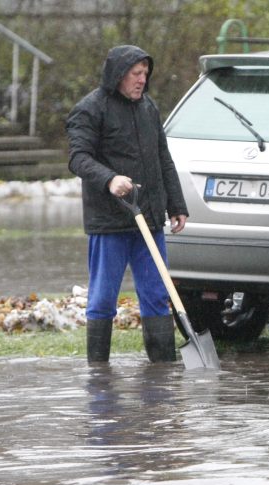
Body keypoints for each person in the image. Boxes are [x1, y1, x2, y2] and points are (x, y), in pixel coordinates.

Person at [66, 45, 188, 364]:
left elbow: (164, 159)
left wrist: (176, 204)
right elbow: (78, 158)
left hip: (148, 218)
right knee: (103, 299)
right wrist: (110, 179)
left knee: (157, 296)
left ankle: (162, 370)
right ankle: (98, 372)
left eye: (145, 74)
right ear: (119, 75)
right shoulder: (90, 109)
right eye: (136, 74)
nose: (141, 80)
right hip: (110, 222)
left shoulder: (149, 108)